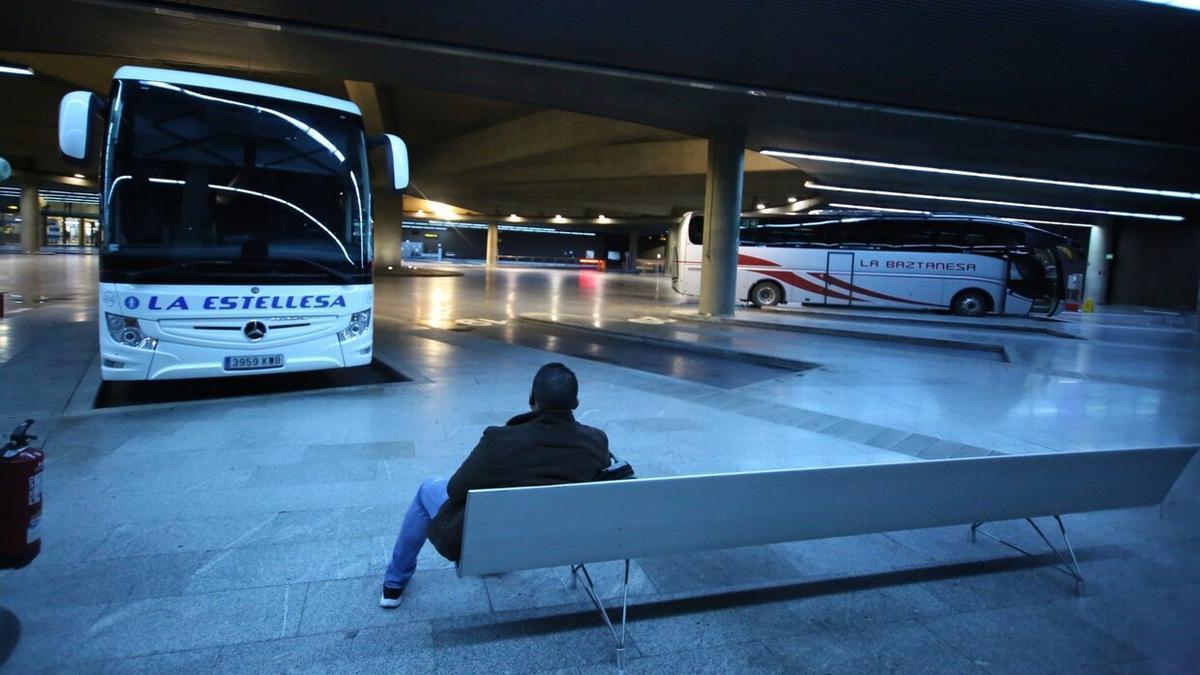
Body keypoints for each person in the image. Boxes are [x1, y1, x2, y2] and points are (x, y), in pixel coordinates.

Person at [380, 362, 609, 608]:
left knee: (429, 487)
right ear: (575, 403)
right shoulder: (596, 442)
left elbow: (455, 490)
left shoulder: (500, 441)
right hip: (562, 542)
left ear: (532, 399)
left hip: (496, 542)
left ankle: (394, 583)